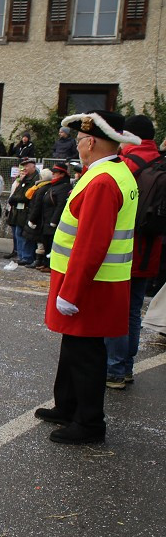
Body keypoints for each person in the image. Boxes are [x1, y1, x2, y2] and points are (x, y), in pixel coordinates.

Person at [34, 111, 140, 445]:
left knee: (86, 353)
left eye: (79, 140)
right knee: (75, 347)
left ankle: (90, 422)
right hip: (97, 281)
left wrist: (72, 291)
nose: (76, 146)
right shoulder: (114, 172)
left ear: (90, 142)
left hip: (91, 284)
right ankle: (67, 406)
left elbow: (92, 243)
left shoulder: (103, 180)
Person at [105, 114, 162, 389]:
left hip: (124, 250)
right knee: (133, 312)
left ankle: (113, 370)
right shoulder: (160, 162)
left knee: (116, 311)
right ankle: (126, 368)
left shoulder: (126, 164)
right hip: (151, 250)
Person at [7, 158, 39, 265]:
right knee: (18, 233)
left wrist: (15, 199)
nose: (24, 168)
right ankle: (21, 255)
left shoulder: (35, 179)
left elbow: (27, 196)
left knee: (24, 235)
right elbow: (17, 192)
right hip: (18, 211)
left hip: (26, 211)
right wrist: (13, 199)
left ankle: (26, 256)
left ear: (33, 166)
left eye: (26, 166)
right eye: (23, 166)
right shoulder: (24, 179)